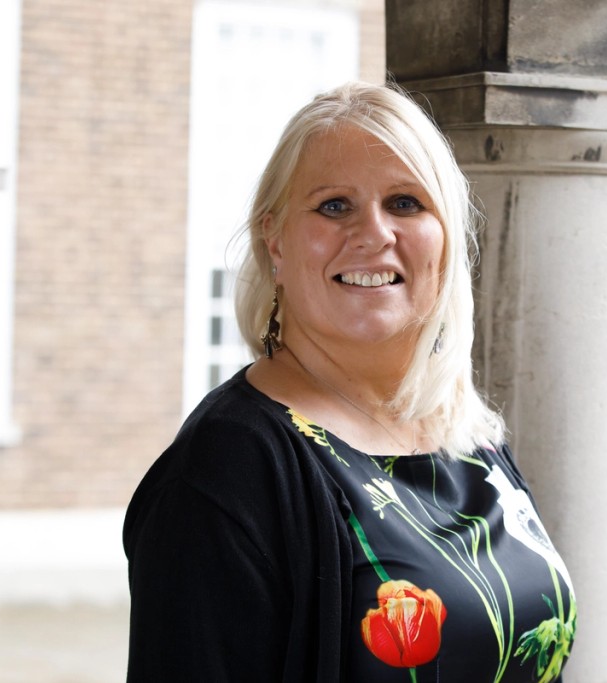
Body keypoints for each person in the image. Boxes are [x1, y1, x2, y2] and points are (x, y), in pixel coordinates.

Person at [124, 82, 576, 682]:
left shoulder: (467, 432)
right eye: (335, 205)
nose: (374, 233)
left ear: (445, 239)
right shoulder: (227, 468)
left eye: (406, 203)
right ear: (275, 241)